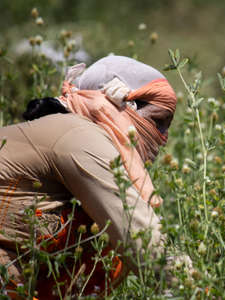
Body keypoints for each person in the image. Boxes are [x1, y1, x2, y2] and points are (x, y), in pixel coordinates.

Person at [0, 56, 189, 299]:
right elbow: (145, 244)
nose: (163, 139)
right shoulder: (79, 137)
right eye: (158, 121)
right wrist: (204, 289)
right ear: (120, 106)